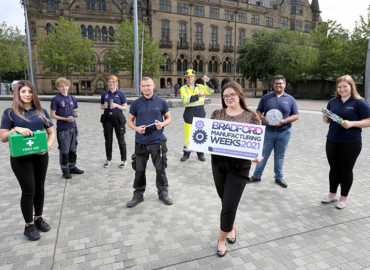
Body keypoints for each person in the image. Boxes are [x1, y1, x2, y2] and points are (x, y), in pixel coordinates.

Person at [190, 82, 262, 257]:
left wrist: (257, 156)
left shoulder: (252, 116)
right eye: (225, 96)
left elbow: (257, 145)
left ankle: (221, 240)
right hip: (219, 164)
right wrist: (197, 144)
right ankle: (231, 225)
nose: (229, 98)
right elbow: (210, 137)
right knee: (225, 200)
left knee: (229, 204)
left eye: (232, 94)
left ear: (240, 94)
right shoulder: (217, 114)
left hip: (240, 167)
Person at [0, 80, 55, 241]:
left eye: (30, 91)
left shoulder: (41, 111)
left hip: (40, 156)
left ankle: (38, 218)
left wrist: (48, 147)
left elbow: (51, 133)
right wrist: (15, 129)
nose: (27, 94)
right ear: (17, 93)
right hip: (21, 158)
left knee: (39, 188)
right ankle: (29, 225)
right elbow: (3, 137)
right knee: (29, 189)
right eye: (23, 91)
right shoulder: (9, 113)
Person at [322, 75, 370, 209]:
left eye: (345, 86)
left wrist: (352, 123)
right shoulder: (333, 101)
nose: (342, 89)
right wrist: (326, 119)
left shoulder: (359, 102)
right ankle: (332, 195)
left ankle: (343, 198)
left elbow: (368, 121)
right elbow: (329, 120)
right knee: (334, 168)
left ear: (351, 86)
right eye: (339, 86)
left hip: (350, 142)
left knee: (346, 170)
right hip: (332, 140)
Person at [126, 77, 172, 208]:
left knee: (160, 169)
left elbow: (168, 118)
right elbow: (129, 121)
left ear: (153, 86)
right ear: (140, 87)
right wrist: (136, 128)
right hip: (141, 142)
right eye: (143, 86)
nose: (146, 88)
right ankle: (138, 195)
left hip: (158, 142)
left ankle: (163, 193)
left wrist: (162, 123)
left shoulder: (162, 102)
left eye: (148, 85)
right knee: (139, 170)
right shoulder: (136, 103)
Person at [250, 75, 299, 188]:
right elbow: (258, 111)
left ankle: (278, 177)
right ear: (273, 85)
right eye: (276, 83)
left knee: (279, 156)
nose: (278, 85)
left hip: (284, 132)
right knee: (263, 154)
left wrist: (284, 121)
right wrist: (262, 118)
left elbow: (296, 115)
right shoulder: (266, 97)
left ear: (284, 84)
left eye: (280, 83)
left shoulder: (290, 99)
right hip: (268, 131)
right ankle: (257, 176)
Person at [50, 78, 84, 179]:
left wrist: (76, 115)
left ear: (69, 86)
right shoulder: (56, 99)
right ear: (58, 87)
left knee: (73, 148)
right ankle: (65, 169)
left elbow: (75, 111)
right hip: (63, 129)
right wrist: (65, 119)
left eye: (65, 85)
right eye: (61, 86)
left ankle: (72, 166)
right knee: (64, 150)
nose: (64, 88)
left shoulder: (72, 98)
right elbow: (52, 115)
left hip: (73, 127)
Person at [180, 69, 214, 162]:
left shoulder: (201, 86)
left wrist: (208, 82)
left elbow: (211, 91)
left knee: (200, 134)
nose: (190, 78)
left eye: (191, 77)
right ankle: (186, 154)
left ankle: (200, 154)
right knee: (188, 134)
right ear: (186, 78)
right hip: (189, 112)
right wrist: (197, 96)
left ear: (194, 77)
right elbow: (185, 100)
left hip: (200, 111)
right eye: (188, 77)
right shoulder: (183, 88)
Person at [100, 75, 128, 168]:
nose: (111, 83)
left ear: (116, 83)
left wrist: (116, 105)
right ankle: (108, 159)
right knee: (108, 140)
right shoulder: (104, 94)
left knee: (121, 140)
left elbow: (125, 107)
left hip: (118, 117)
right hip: (107, 117)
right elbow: (101, 106)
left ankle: (123, 160)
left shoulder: (120, 93)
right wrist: (104, 106)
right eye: (109, 82)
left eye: (113, 82)